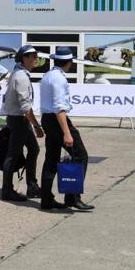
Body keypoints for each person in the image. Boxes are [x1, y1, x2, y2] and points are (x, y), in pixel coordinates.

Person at [40, 46, 94, 211]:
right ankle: (72, 198)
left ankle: (46, 199)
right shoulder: (59, 79)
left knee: (51, 159)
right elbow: (59, 108)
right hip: (56, 120)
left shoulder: (48, 75)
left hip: (48, 119)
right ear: (69, 62)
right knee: (81, 156)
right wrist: (67, 132)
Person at [1, 45, 42, 201]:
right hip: (18, 120)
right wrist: (37, 126)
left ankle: (32, 186)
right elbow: (26, 107)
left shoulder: (19, 74)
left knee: (33, 149)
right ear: (24, 58)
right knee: (12, 155)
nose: (35, 59)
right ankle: (7, 190)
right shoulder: (21, 77)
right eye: (32, 56)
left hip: (19, 119)